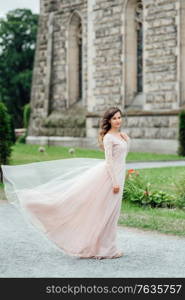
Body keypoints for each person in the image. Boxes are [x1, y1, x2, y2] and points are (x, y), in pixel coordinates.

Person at [2, 106, 131, 260]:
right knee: (105, 213)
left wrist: (126, 140)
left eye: (119, 117)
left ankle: (106, 247)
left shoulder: (121, 136)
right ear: (109, 121)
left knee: (112, 213)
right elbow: (109, 162)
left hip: (117, 176)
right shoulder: (109, 138)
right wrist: (115, 182)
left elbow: (121, 158)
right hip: (109, 178)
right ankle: (106, 249)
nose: (118, 121)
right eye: (114, 118)